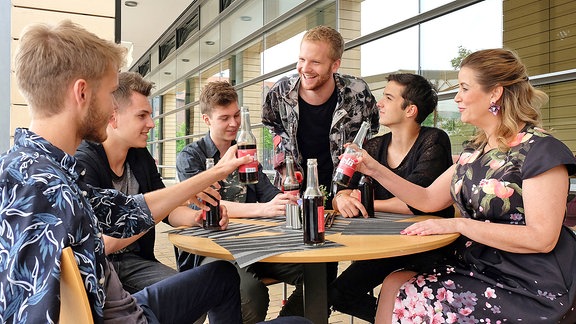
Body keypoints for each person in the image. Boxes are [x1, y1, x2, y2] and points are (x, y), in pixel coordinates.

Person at [0, 20, 250, 324]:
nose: (110, 109)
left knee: (221, 275)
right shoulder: (43, 190)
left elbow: (126, 213)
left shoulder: (44, 168)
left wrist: (210, 176)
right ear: (82, 93)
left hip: (116, 305)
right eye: (108, 93)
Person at [352, 49, 576, 323]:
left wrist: (458, 225)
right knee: (393, 282)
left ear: (494, 93)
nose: (456, 97)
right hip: (478, 264)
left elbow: (543, 238)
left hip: (526, 279)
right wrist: (373, 168)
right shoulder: (475, 150)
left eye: (464, 88)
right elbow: (426, 199)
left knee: (414, 295)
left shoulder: (541, 150)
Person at [74, 71, 218, 294]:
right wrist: (165, 204)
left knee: (192, 295)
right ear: (113, 118)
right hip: (98, 267)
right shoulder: (84, 161)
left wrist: (197, 218)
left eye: (150, 115)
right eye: (142, 116)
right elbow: (106, 242)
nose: (151, 124)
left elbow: (168, 211)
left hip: (137, 262)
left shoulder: (140, 156)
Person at [328, 73, 455, 322]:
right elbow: (340, 190)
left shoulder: (434, 141)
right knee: (339, 293)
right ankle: (392, 317)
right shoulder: (374, 146)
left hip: (427, 245)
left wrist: (365, 204)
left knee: (389, 287)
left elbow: (418, 201)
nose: (379, 103)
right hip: (387, 244)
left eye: (388, 97)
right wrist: (342, 199)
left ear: (410, 110)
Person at [176, 81, 304, 323]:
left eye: (236, 115)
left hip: (255, 244)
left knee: (318, 271)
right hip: (214, 248)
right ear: (207, 120)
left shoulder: (246, 153)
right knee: (249, 294)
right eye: (224, 118)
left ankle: (288, 319)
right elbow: (205, 206)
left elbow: (269, 196)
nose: (234, 123)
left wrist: (288, 196)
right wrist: (263, 210)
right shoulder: (191, 157)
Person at [261, 25, 380, 205]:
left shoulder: (358, 92)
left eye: (315, 62)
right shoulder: (280, 92)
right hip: (293, 195)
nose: (305, 68)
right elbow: (274, 130)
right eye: (302, 59)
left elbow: (371, 133)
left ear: (335, 65)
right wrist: (285, 168)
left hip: (345, 194)